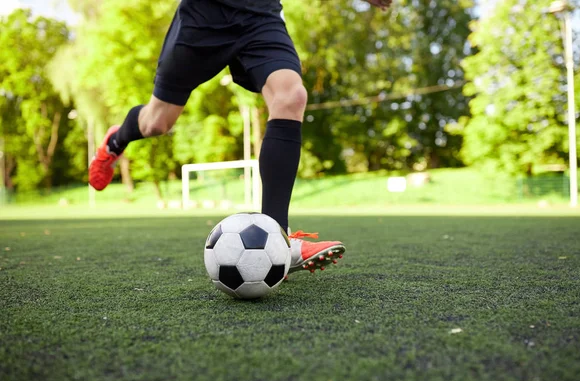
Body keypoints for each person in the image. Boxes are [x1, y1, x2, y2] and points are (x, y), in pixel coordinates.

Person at [89, 0, 392, 276]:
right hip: (204, 15)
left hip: (260, 16)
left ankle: (279, 238)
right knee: (157, 122)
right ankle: (116, 141)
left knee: (291, 96)